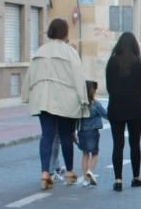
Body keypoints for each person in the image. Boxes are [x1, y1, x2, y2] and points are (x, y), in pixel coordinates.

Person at [22, 18, 88, 190]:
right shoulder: (70, 53)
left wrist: (26, 96)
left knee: (47, 135)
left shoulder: (40, 51)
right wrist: (84, 100)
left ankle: (45, 173)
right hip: (66, 99)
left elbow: (30, 75)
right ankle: (70, 172)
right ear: (65, 32)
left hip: (43, 98)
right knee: (66, 135)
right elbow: (79, 78)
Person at [105, 31, 141, 192]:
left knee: (118, 144)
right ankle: (136, 177)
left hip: (116, 108)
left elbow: (109, 87)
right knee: (135, 144)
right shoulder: (140, 62)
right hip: (135, 108)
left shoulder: (112, 61)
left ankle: (118, 180)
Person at [78, 80, 107, 186]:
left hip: (81, 132)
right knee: (95, 154)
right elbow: (106, 115)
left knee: (85, 154)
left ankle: (86, 178)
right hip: (93, 132)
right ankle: (90, 171)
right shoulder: (96, 104)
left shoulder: (81, 104)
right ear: (93, 91)